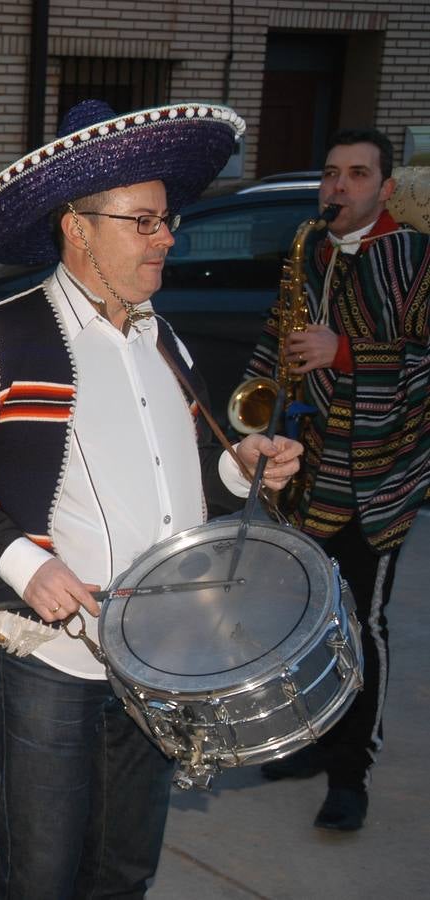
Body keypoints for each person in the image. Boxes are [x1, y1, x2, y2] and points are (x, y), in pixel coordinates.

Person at [0, 99, 303, 898]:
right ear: (77, 228)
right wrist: (23, 566)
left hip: (162, 654)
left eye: (166, 219)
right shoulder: (2, 336)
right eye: (144, 221)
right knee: (43, 873)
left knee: (124, 866)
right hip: (57, 655)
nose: (166, 236)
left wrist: (240, 468)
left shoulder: (164, 337)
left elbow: (182, 468)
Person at [247, 128, 430, 831]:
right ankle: (316, 740)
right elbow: (275, 338)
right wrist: (255, 405)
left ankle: (350, 771)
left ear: (385, 189)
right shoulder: (312, 251)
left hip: (378, 478)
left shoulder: (414, 258)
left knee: (365, 622)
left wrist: (344, 351)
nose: (338, 187)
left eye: (357, 175)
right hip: (308, 472)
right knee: (313, 618)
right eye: (329, 174)